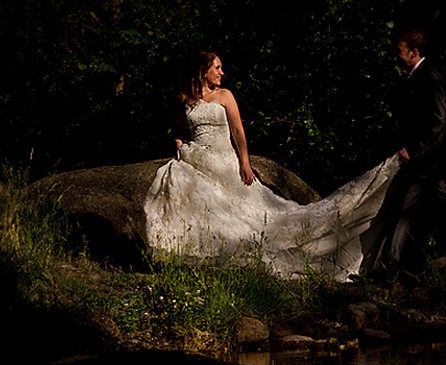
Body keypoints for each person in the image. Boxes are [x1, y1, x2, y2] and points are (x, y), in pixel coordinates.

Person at [144, 51, 401, 281]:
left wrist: (245, 162)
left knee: (258, 216)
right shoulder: (185, 98)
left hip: (224, 161)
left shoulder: (225, 95)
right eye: (217, 67)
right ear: (203, 70)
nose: (222, 72)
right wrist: (179, 143)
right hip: (199, 159)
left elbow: (237, 130)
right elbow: (178, 127)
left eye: (221, 67)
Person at [372, 30, 446, 286]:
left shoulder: (430, 77)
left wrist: (414, 148)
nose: (396, 56)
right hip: (426, 164)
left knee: (436, 216)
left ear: (413, 53)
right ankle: (389, 272)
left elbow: (439, 118)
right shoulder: (416, 78)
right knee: (419, 215)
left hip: (433, 163)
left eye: (400, 52)